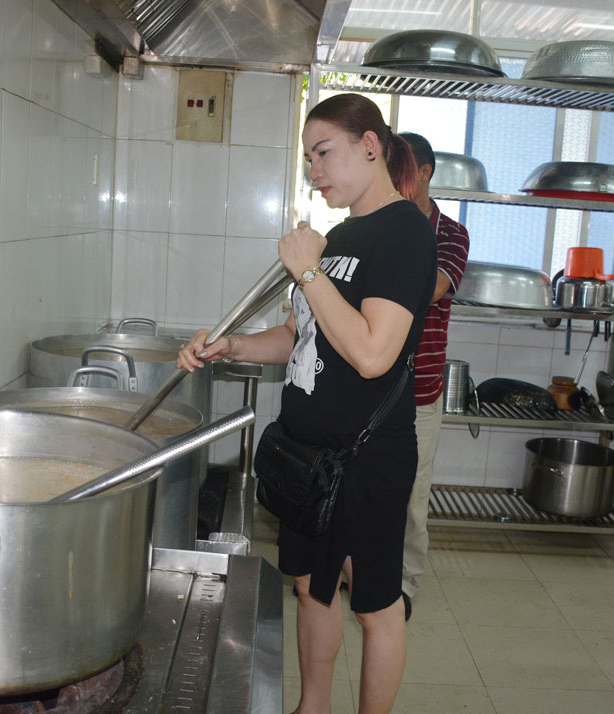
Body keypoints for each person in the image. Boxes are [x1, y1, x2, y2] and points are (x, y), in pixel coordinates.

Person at [178, 94, 436, 714]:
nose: (314, 171)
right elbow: (301, 336)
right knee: (310, 587)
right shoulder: (342, 233)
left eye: (324, 153)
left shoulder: (404, 233)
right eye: (308, 158)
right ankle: (311, 706)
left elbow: (374, 352)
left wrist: (311, 274)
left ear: (370, 146)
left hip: (366, 457)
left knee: (374, 602)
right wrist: (230, 345)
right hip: (307, 455)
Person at [397, 132, 470, 603]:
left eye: (399, 170)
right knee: (363, 485)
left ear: (423, 173)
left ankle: (402, 582)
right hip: (369, 383)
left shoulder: (450, 233)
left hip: (419, 388)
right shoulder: (377, 222)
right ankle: (354, 568)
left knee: (410, 495)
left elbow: (437, 288)